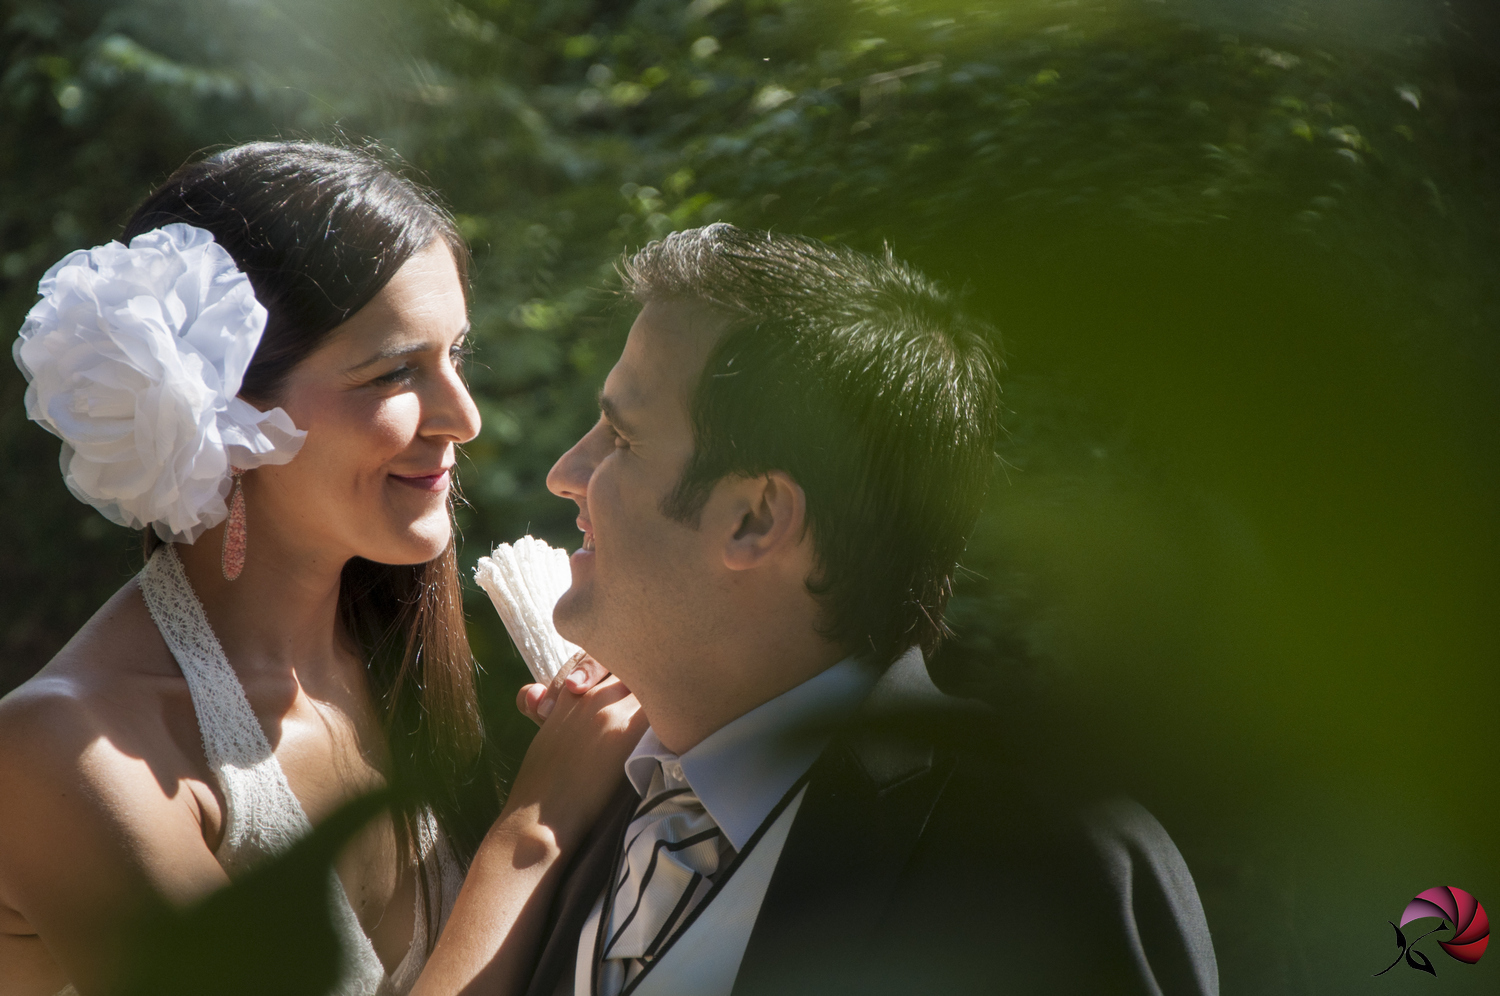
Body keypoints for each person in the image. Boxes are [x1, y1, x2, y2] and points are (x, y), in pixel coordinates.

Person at [0, 142, 644, 996]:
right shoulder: (63, 755)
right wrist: (539, 821)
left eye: (457, 354)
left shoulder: (394, 662)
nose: (464, 417)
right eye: (396, 372)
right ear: (222, 402)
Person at [509, 224, 1221, 996]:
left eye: (621, 437)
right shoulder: (579, 804)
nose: (565, 471)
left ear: (756, 518)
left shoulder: (1043, 868)